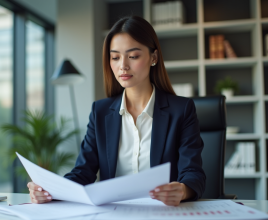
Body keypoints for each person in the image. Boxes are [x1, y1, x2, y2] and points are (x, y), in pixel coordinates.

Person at [27, 16, 206, 206]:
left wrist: (182, 190)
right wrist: (50, 191)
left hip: (163, 213)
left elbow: (193, 173)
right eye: (115, 57)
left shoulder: (182, 110)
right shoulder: (100, 112)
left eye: (133, 56)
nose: (123, 66)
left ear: (153, 57)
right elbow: (83, 172)